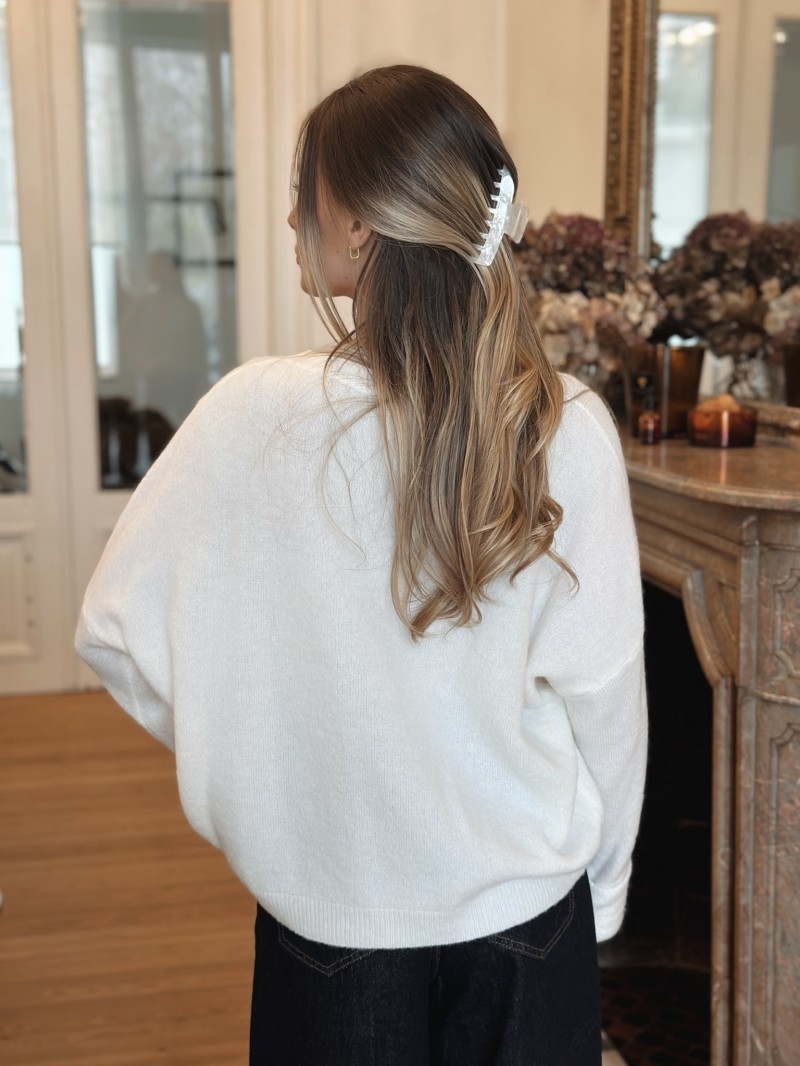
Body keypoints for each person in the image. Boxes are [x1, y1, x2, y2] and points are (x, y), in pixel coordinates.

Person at [76, 65, 648, 1065]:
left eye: (303, 191)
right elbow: (605, 702)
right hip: (529, 921)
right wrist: (602, 895)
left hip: (331, 925)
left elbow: (115, 633)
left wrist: (262, 768)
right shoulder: (564, 425)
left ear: (354, 225)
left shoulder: (249, 415)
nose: (289, 217)